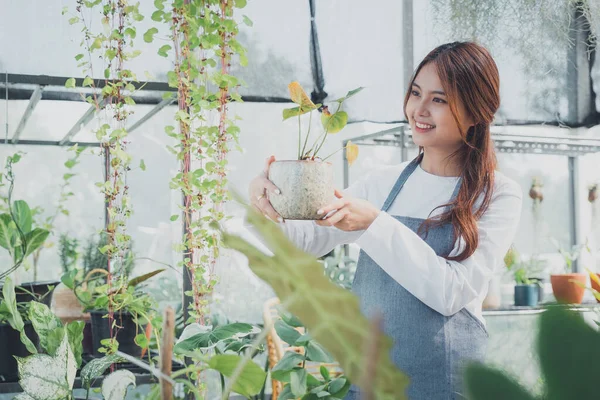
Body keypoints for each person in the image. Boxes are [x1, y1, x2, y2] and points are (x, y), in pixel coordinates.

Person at [248, 41, 522, 399]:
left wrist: (373, 224)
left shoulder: (497, 193)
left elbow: (451, 292)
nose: (418, 110)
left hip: (447, 385)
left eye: (438, 99)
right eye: (415, 93)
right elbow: (307, 240)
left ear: (475, 113)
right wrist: (270, 199)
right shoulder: (381, 183)